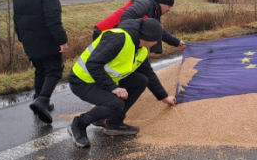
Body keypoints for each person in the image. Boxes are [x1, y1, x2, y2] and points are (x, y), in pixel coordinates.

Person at [67, 17, 177, 148]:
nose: (156, 43)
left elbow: (149, 74)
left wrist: (164, 97)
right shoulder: (119, 39)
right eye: (156, 40)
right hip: (82, 80)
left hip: (101, 79)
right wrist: (113, 88)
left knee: (141, 80)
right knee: (115, 104)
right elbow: (93, 63)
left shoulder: (140, 49)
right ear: (147, 37)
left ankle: (114, 123)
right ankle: (79, 124)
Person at [13, 0, 68, 124]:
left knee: (40, 69)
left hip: (28, 39)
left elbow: (16, 18)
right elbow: (53, 20)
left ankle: (38, 98)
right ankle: (42, 100)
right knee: (55, 69)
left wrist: (22, 38)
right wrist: (62, 40)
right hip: (47, 40)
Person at [94, 0, 186, 54]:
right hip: (104, 33)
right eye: (169, 6)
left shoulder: (154, 11)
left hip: (113, 37)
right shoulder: (145, 2)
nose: (169, 9)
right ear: (161, 2)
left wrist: (176, 42)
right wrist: (131, 41)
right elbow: (127, 16)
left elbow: (158, 31)